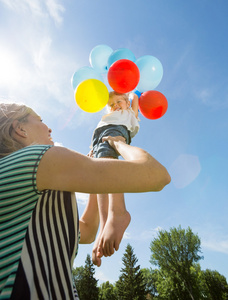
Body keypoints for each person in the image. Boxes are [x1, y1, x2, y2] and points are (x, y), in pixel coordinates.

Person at [0, 102, 171, 299]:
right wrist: (118, 143)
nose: (49, 127)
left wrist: (93, 177)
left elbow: (87, 230)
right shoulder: (33, 159)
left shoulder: (26, 182)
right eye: (40, 120)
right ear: (20, 129)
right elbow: (156, 175)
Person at [89, 91, 140, 266]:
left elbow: (134, 100)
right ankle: (104, 226)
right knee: (99, 178)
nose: (115, 105)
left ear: (126, 101)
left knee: (107, 163)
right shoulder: (108, 116)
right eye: (111, 104)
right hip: (99, 136)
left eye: (119, 101)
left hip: (115, 131)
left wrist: (135, 94)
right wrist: (92, 148)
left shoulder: (128, 113)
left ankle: (118, 211)